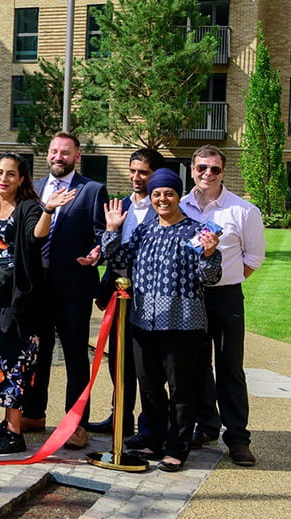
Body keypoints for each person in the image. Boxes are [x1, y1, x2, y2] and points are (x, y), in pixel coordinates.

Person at [102, 168, 222, 472]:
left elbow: (210, 277)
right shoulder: (144, 231)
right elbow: (118, 260)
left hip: (183, 323)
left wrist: (209, 254)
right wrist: (112, 230)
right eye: (156, 194)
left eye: (168, 193)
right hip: (143, 321)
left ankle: (176, 448)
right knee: (149, 386)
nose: (162, 199)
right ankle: (153, 439)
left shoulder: (197, 231)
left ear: (178, 196)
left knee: (181, 390)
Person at [181, 145, 266, 467]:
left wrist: (226, 278)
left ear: (223, 172)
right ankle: (206, 425)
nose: (208, 174)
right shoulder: (181, 207)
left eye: (214, 169)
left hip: (226, 297)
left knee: (230, 366)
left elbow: (253, 258)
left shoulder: (243, 211)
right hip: (191, 298)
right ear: (192, 170)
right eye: (202, 167)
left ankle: (238, 438)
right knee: (195, 364)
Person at [27, 131, 109, 450]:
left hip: (73, 287)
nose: (58, 157)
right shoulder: (34, 188)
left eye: (65, 152)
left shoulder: (92, 190)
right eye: (54, 151)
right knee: (37, 352)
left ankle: (76, 423)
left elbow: (102, 235)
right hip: (37, 287)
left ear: (77, 156)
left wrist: (97, 253)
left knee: (75, 356)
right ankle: (34, 413)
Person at [0, 153, 56, 454]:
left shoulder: (28, 207)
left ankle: (14, 434)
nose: (3, 178)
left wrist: (49, 210)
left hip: (16, 301)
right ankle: (7, 422)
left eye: (11, 174)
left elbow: (35, 235)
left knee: (14, 363)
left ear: (21, 179)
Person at [86, 148, 164, 443]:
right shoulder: (122, 206)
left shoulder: (163, 208)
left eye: (143, 172)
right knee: (118, 358)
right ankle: (120, 417)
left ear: (155, 175)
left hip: (149, 296)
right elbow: (111, 251)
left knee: (146, 362)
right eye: (132, 171)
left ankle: (151, 425)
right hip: (118, 293)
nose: (136, 177)